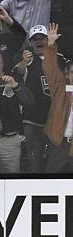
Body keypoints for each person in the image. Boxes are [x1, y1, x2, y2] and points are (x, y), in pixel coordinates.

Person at [13, 24, 68, 173]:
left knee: (55, 161)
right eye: (35, 39)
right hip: (33, 120)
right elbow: (18, 70)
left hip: (57, 121)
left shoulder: (60, 58)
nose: (39, 41)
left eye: (42, 38)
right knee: (34, 160)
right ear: (30, 42)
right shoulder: (26, 58)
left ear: (47, 39)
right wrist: (23, 62)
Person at [42, 22, 73, 172]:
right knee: (51, 184)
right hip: (59, 145)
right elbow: (50, 68)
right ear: (67, 74)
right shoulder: (60, 87)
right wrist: (51, 44)